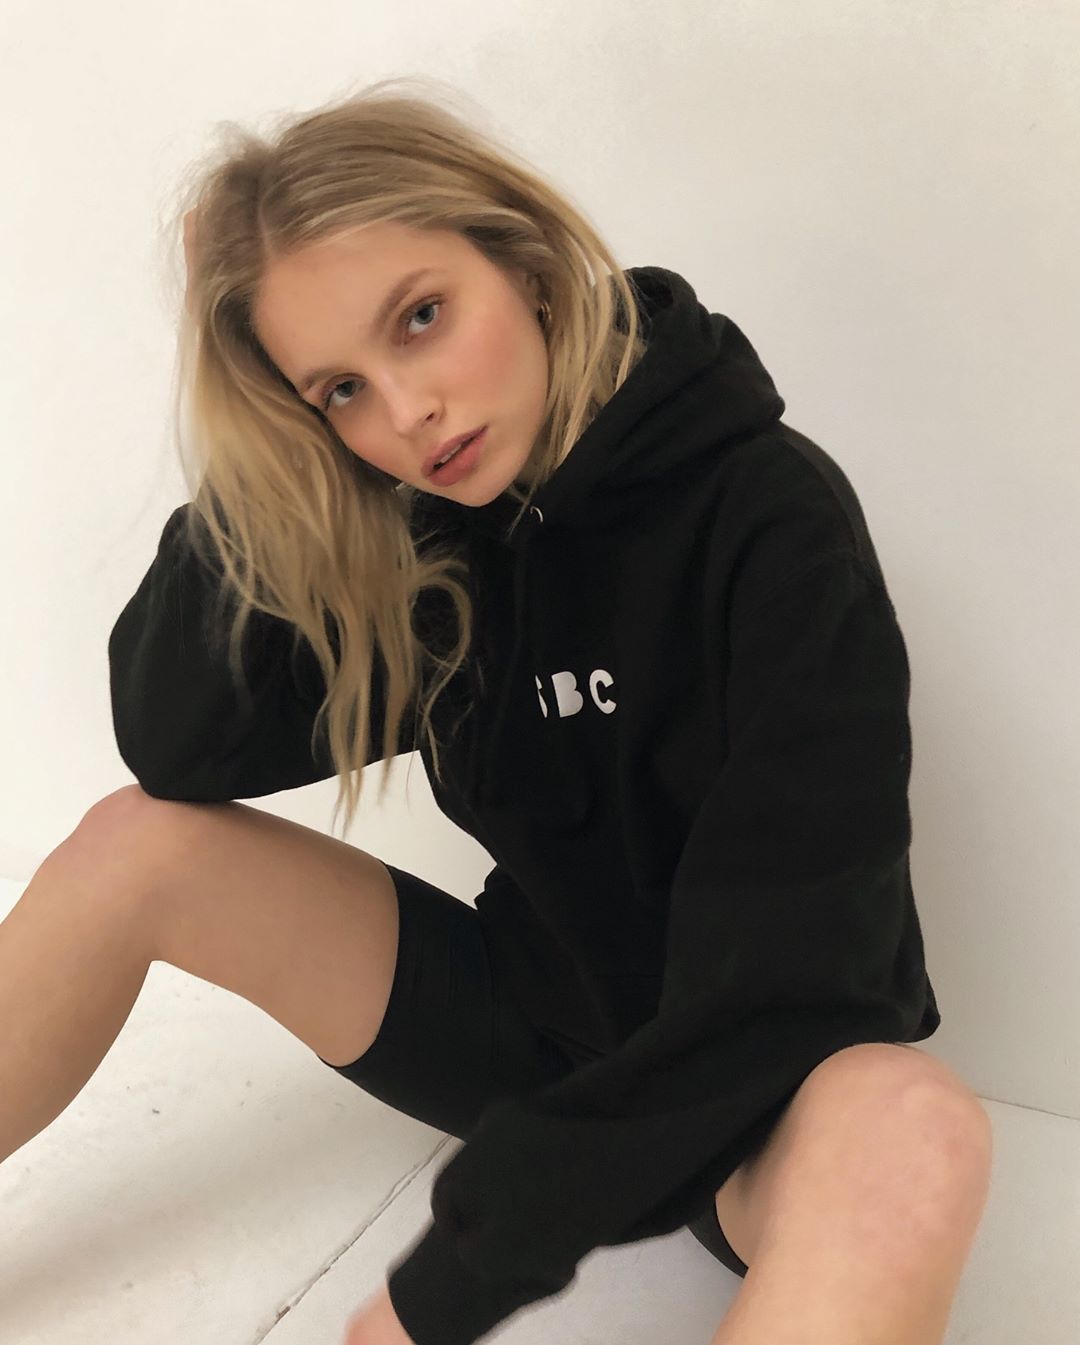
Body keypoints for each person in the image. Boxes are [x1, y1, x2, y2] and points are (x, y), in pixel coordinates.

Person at [5, 78, 992, 1345]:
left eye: (420, 319)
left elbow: (794, 985)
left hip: (752, 1096)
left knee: (913, 1126)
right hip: (530, 1022)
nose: (405, 413)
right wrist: (261, 443)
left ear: (521, 260)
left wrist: (449, 1284)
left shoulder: (766, 519)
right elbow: (176, 743)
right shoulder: (435, 537)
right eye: (338, 389)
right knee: (136, 842)